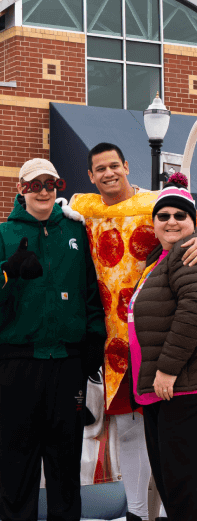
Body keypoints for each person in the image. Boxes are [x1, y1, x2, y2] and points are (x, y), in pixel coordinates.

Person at [0, 158, 105, 521]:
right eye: (34, 185)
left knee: (64, 465)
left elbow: (92, 293)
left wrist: (94, 341)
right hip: (19, 363)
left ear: (59, 187)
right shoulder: (2, 236)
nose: (43, 191)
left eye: (50, 184)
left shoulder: (77, 233)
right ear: (21, 190)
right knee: (18, 464)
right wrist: (8, 270)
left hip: (66, 364)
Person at [68, 143, 197, 520]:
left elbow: (191, 308)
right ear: (90, 176)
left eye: (114, 166)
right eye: (100, 169)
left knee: (177, 461)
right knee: (132, 431)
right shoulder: (84, 211)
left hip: (170, 360)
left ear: (127, 167)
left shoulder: (160, 215)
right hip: (117, 340)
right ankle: (137, 513)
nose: (108, 173)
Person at [126, 174, 197, 519]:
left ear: (193, 222)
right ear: (153, 224)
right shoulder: (159, 260)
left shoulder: (188, 255)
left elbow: (192, 311)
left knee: (183, 488)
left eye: (180, 215)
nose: (171, 221)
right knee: (172, 486)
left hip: (180, 389)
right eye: (163, 215)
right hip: (159, 392)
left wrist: (167, 370)